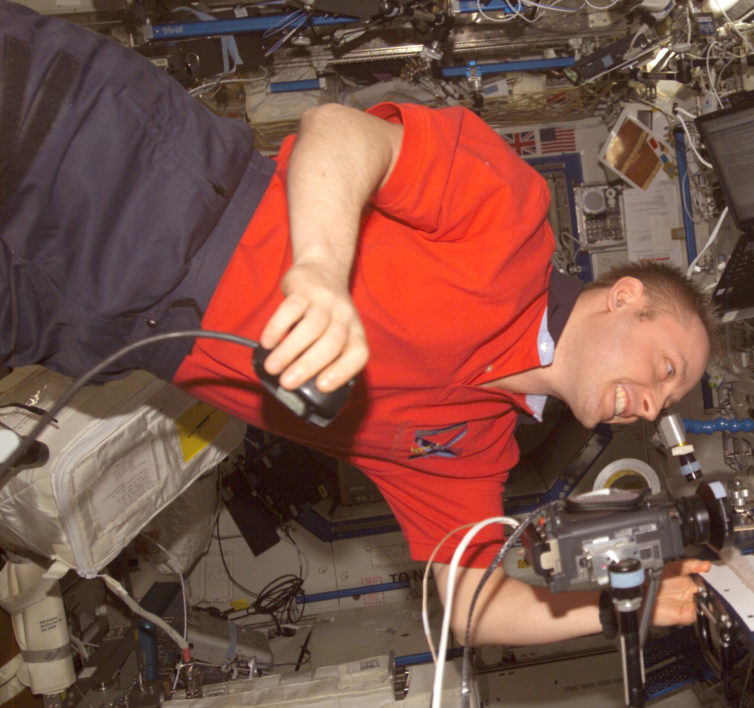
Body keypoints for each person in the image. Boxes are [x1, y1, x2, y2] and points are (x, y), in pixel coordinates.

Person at [1, 0, 716, 647]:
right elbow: (339, 133)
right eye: (665, 369)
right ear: (625, 297)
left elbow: (473, 608)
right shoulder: (512, 221)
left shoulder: (473, 453)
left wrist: (625, 607)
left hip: (77, 324)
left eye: (665, 400)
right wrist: (317, 271)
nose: (652, 405)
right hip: (105, 161)